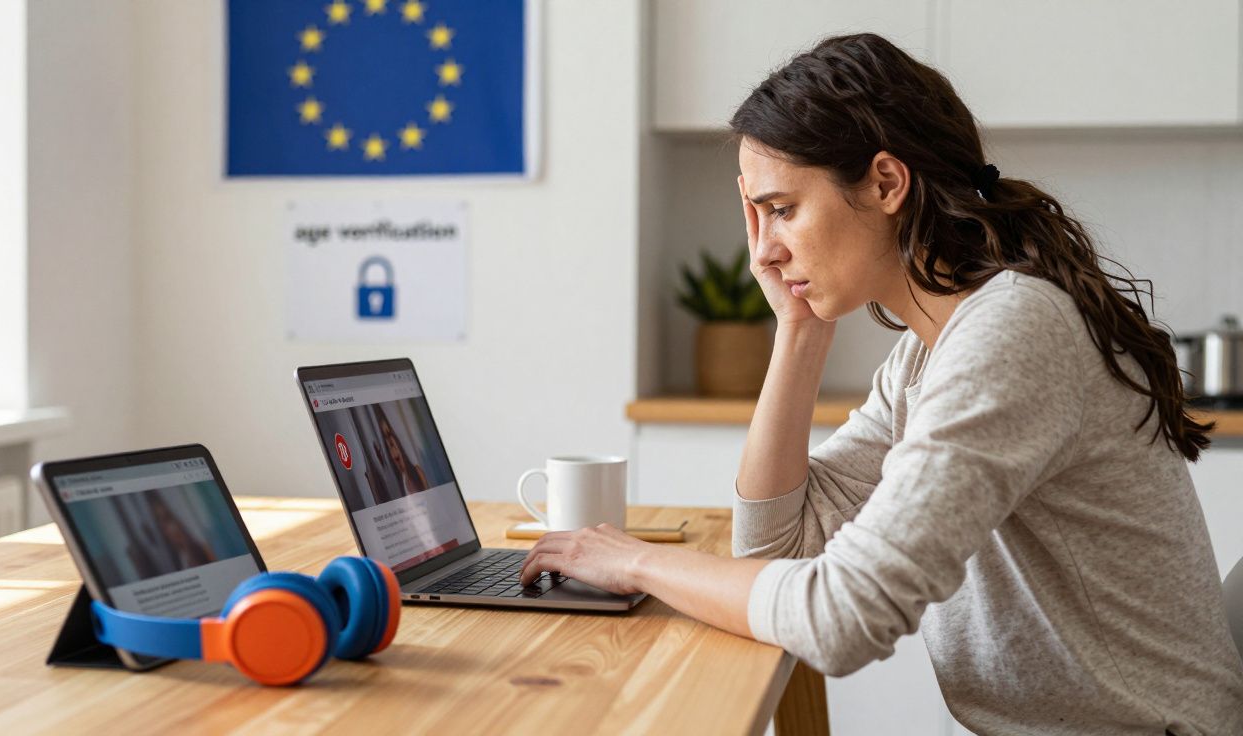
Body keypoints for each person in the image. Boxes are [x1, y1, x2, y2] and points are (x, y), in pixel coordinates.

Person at [519, 33, 1243, 734]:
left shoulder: (1013, 331)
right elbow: (778, 552)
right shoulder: (929, 355)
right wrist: (799, 334)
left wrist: (637, 561)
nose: (763, 251)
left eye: (782, 208)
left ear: (886, 183)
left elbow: (840, 620)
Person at [373, 404, 430, 494]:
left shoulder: (417, 471)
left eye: (390, 435)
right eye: (386, 441)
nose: (392, 452)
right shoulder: (396, 483)